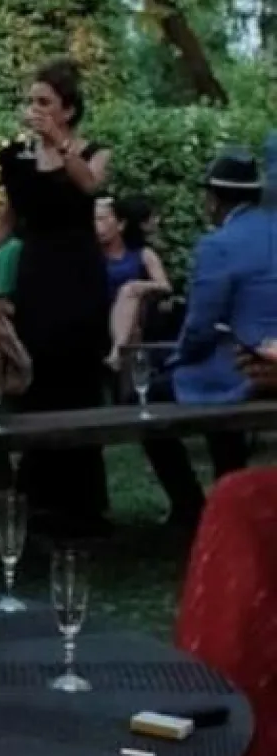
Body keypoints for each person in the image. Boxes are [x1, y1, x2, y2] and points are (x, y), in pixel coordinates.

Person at [0, 59, 111, 537]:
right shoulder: (16, 158)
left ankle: (84, 502)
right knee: (37, 375)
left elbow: (90, 185)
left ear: (68, 109)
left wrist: (59, 143)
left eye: (44, 102)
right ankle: (39, 500)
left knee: (78, 378)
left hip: (78, 274)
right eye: (31, 101)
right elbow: (6, 222)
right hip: (37, 274)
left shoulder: (93, 152)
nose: (34, 109)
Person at [140, 147, 276, 524]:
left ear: (213, 199)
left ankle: (190, 506)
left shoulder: (218, 245)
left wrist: (175, 360)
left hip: (247, 368)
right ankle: (230, 497)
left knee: (146, 396)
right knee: (212, 383)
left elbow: (200, 326)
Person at [96, 194, 170, 368]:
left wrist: (141, 286)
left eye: (102, 219)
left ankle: (117, 352)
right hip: (100, 312)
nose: (98, 226)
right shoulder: (92, 256)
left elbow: (165, 286)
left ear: (120, 224)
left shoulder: (143, 254)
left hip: (134, 315)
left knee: (129, 293)